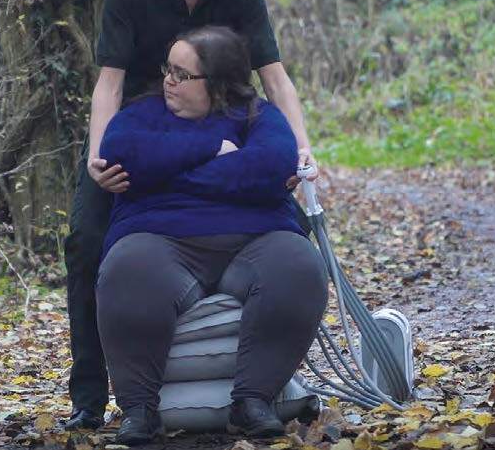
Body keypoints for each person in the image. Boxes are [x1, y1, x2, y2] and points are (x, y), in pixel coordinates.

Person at [64, 0, 319, 430]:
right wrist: (99, 157)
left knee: (290, 239)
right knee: (87, 241)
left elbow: (275, 79)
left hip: (218, 121)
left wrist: (301, 147)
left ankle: (263, 385)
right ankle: (92, 396)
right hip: (140, 131)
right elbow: (109, 83)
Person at [95, 26, 329, 446]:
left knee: (299, 265)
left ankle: (252, 401)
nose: (169, 80)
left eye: (182, 75)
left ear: (218, 85)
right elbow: (122, 155)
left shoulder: (259, 116)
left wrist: (166, 176)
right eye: (168, 68)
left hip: (257, 240)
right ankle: (139, 409)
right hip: (158, 240)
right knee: (126, 270)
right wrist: (212, 148)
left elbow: (274, 164)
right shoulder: (140, 114)